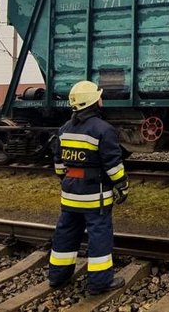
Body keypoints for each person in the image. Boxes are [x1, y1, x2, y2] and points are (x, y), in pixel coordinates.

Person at [48, 80, 130, 295]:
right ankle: (100, 283)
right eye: (99, 96)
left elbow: (59, 164)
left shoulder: (64, 129)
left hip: (69, 195)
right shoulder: (103, 130)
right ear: (94, 102)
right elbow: (112, 165)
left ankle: (57, 277)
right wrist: (122, 185)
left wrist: (69, 181)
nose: (101, 99)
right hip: (95, 198)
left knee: (65, 234)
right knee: (99, 237)